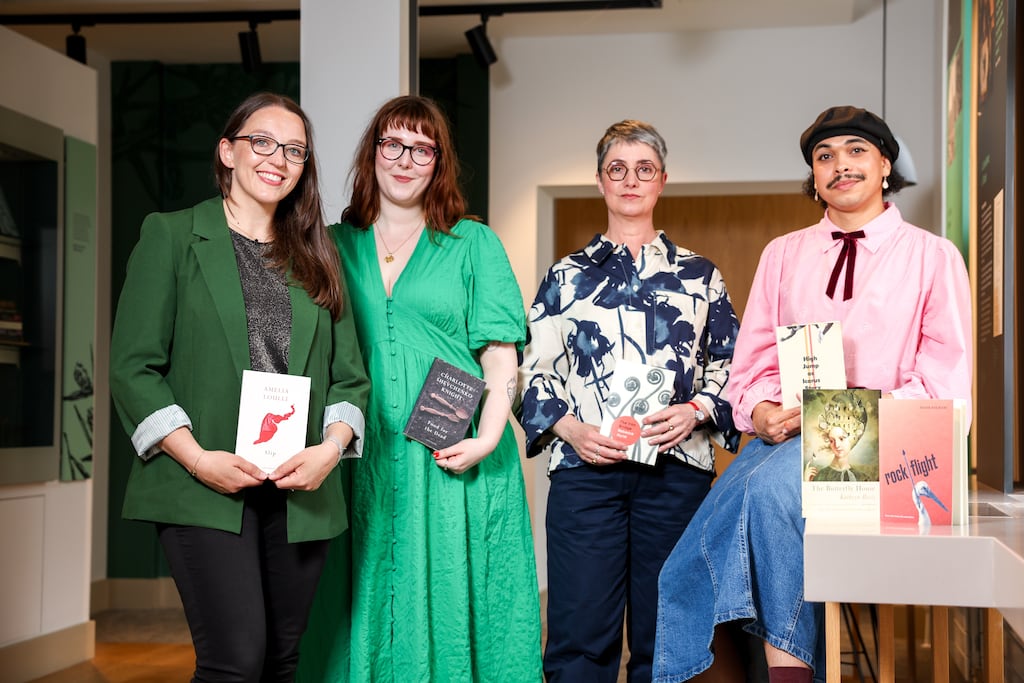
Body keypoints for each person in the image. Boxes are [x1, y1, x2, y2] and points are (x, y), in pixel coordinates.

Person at [653, 105, 972, 683]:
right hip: (783, 443)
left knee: (769, 495)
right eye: (825, 156)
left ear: (885, 165)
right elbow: (749, 368)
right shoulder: (783, 253)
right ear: (814, 176)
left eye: (856, 151)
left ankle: (786, 673)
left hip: (892, 453)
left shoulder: (933, 256)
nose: (840, 165)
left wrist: (840, 420)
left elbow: (945, 388)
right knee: (690, 561)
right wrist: (761, 412)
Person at [109, 92, 369, 682]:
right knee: (234, 661)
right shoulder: (172, 236)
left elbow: (350, 377)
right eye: (262, 142)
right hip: (201, 482)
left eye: (295, 150)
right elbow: (133, 367)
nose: (278, 158)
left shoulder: (318, 253)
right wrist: (198, 460)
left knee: (281, 661)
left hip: (300, 490)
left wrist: (329, 452)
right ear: (227, 151)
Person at [298, 95, 542, 682]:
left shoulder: (472, 243)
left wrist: (487, 438)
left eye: (422, 149)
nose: (406, 160)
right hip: (356, 450)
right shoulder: (330, 244)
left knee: (454, 594)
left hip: (454, 453)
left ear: (439, 162)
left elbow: (500, 356)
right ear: (372, 154)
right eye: (393, 145)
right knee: (358, 591)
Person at [518, 119, 740, 683]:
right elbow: (532, 373)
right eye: (617, 169)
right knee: (578, 637)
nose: (631, 180)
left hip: (676, 472)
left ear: (662, 180)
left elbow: (733, 369)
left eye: (644, 169)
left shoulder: (701, 277)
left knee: (667, 637)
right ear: (600, 181)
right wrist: (570, 429)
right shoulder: (565, 277)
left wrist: (695, 410)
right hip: (585, 474)